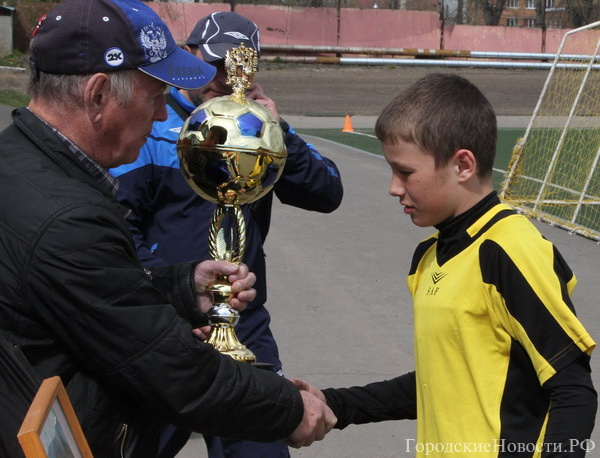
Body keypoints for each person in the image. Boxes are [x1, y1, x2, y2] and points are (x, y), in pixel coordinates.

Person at [0, 0, 337, 457]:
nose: (161, 115)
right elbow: (165, 368)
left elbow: (101, 295)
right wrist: (290, 410)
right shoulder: (66, 217)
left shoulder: (23, 164)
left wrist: (180, 287)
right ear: (99, 94)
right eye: (155, 95)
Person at [293, 73, 597, 457]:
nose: (393, 187)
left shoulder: (509, 250)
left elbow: (572, 390)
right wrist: (335, 404)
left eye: (405, 172)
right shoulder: (430, 254)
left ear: (463, 165)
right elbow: (444, 383)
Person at [109, 11, 344, 458]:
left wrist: (281, 133)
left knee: (260, 449)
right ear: (191, 54)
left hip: (242, 320)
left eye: (237, 66)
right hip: (165, 324)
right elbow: (122, 227)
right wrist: (173, 294)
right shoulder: (153, 125)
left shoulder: (258, 126)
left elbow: (327, 191)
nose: (224, 78)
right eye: (214, 64)